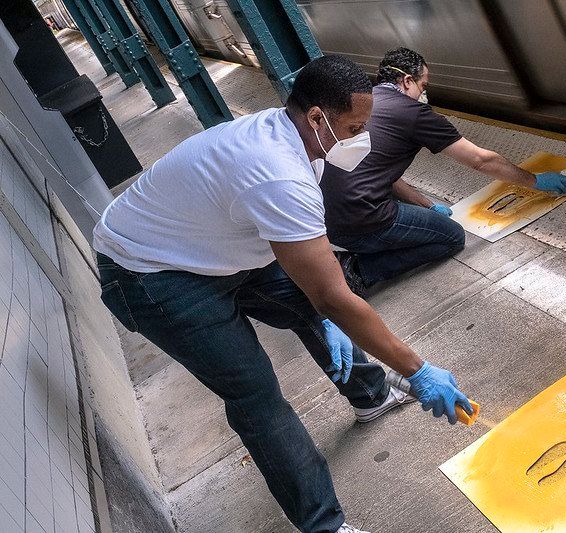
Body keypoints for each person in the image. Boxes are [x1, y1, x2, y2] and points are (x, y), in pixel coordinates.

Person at [93, 55, 472, 533]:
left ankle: (369, 395)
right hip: (151, 273)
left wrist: (323, 309)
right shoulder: (277, 172)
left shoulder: (295, 138)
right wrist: (417, 370)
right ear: (317, 116)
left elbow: (307, 262)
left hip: (214, 244)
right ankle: (324, 526)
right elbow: (331, 294)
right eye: (355, 127)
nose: (361, 138)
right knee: (257, 396)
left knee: (314, 308)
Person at [321, 48, 566, 292]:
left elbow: (379, 173)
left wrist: (427, 205)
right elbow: (480, 160)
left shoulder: (367, 103)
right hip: (363, 221)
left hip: (330, 222)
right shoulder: (414, 113)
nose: (425, 94)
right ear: (408, 80)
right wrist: (534, 180)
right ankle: (358, 270)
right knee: (451, 237)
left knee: (417, 223)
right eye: (424, 86)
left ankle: (367, 247)